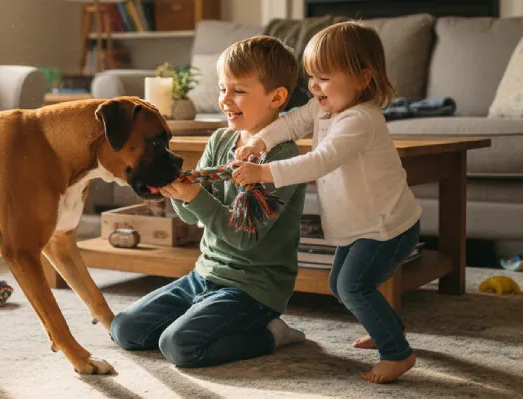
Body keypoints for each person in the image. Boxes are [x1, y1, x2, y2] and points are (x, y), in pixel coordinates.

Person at [229, 21, 422, 383]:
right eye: (311, 77)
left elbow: (318, 161)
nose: (314, 87)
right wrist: (259, 141)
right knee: (340, 284)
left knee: (353, 286)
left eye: (324, 78)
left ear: (362, 79)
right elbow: (290, 125)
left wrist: (263, 173)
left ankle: (397, 353)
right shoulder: (322, 109)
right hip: (363, 225)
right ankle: (389, 327)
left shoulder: (360, 121)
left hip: (388, 226)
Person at [109, 35, 309, 368]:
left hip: (253, 290)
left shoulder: (282, 160)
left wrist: (195, 196)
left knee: (179, 347)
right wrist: (178, 194)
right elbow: (192, 219)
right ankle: (204, 315)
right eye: (222, 89)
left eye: (239, 91)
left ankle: (272, 333)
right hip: (203, 275)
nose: (225, 100)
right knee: (125, 329)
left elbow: (244, 237)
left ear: (276, 97)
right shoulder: (221, 140)